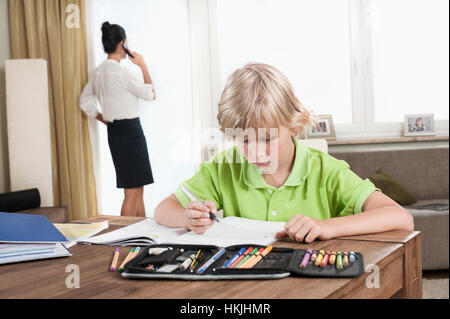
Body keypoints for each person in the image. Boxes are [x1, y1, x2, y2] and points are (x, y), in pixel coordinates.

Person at [154, 63, 413, 242]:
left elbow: (400, 218)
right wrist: (188, 218)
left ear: (294, 126)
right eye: (243, 140)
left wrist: (327, 226)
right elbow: (163, 210)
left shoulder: (325, 170)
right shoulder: (225, 166)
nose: (255, 152)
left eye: (267, 138)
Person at [80, 21, 156, 217]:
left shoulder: (98, 72)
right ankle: (126, 238)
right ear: (122, 44)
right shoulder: (122, 72)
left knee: (137, 189)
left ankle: (141, 236)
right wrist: (143, 65)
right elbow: (150, 94)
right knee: (132, 191)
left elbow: (85, 102)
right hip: (131, 131)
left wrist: (105, 119)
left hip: (115, 132)